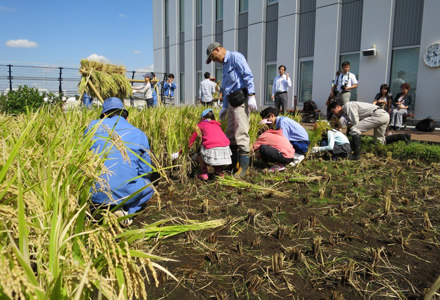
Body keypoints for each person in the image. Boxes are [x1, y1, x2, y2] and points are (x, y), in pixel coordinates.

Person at [85, 97, 157, 226]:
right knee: (149, 187)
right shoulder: (139, 134)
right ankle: (127, 211)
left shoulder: (92, 126)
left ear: (104, 115)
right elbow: (145, 170)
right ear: (126, 117)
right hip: (125, 193)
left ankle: (95, 207)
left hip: (94, 191)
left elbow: (82, 157)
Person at [205, 42, 257, 177]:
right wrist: (224, 107)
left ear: (217, 49)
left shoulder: (235, 57)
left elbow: (248, 75)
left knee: (241, 132)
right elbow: (226, 88)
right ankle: (233, 163)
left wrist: (251, 95)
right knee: (230, 133)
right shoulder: (224, 66)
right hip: (231, 102)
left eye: (213, 57)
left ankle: (243, 168)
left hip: (240, 100)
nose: (214, 60)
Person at [187, 108, 232, 180]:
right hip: (225, 150)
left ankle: (204, 173)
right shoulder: (217, 125)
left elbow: (191, 141)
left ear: (202, 118)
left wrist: (181, 152)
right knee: (215, 154)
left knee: (199, 154)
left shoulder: (200, 125)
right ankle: (219, 172)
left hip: (212, 148)